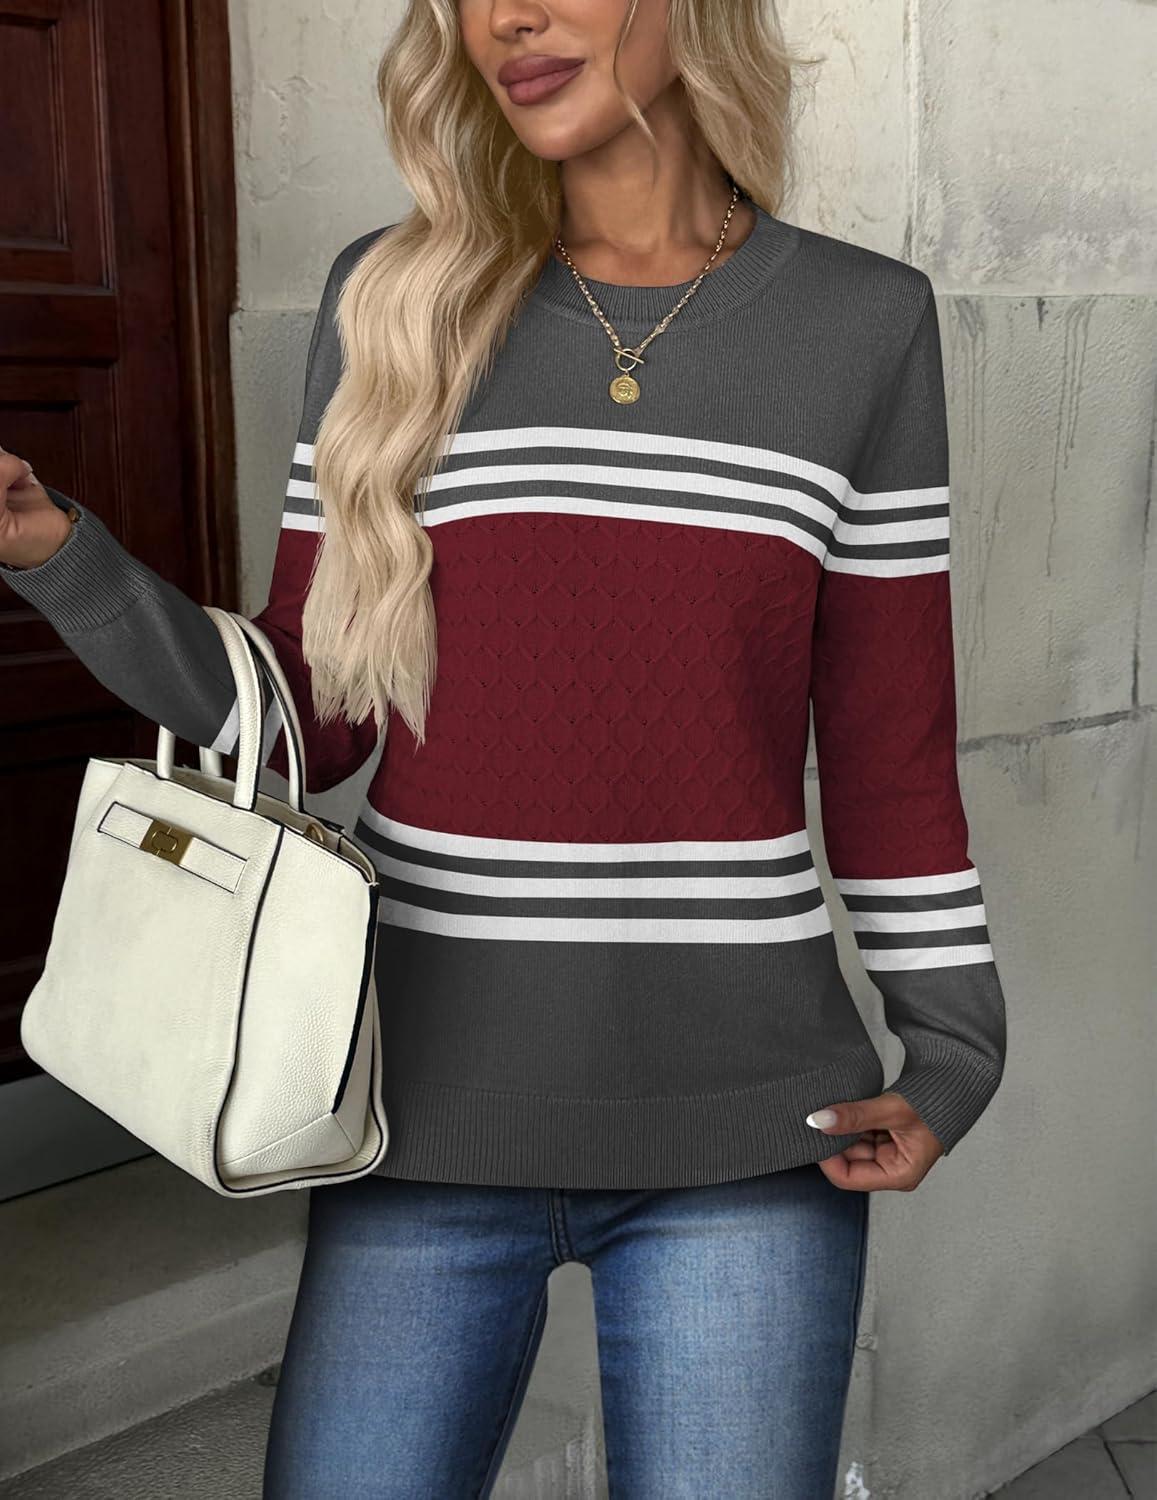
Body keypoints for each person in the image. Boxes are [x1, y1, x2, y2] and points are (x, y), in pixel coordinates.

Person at [0, 1, 1007, 1494]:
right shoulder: (391, 301)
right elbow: (309, 716)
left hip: (749, 1125)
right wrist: (55, 552)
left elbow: (888, 749)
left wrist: (954, 1045)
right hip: (418, 1114)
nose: (505, 17)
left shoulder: (863, 322)